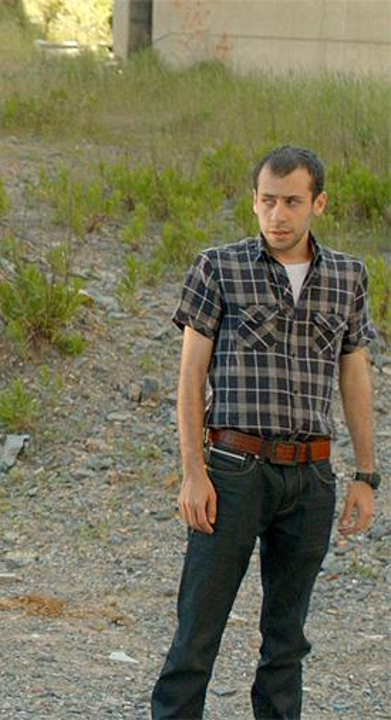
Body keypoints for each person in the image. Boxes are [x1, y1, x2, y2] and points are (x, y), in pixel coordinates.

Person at [151, 145, 380, 719]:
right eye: (268, 201)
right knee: (197, 631)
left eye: (292, 202)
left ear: (318, 204)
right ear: (254, 201)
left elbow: (354, 377)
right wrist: (194, 473)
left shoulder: (348, 276)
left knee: (287, 642)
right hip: (234, 473)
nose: (278, 215)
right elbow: (190, 377)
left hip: (311, 479)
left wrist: (366, 474)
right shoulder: (218, 268)